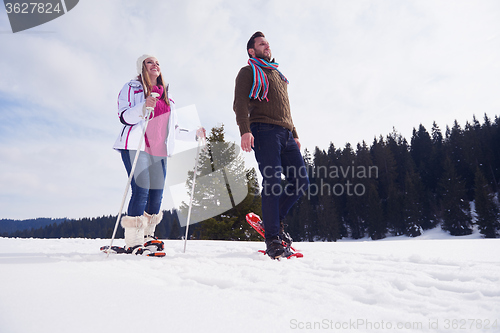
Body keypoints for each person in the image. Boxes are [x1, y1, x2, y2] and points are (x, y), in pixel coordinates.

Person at [113, 54, 205, 255]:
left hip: (159, 151)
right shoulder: (132, 88)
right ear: (142, 67)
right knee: (142, 189)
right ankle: (133, 240)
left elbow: (175, 130)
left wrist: (194, 135)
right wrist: (143, 106)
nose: (155, 65)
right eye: (149, 62)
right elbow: (124, 116)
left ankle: (147, 236)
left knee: (156, 194)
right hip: (137, 146)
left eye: (157, 63)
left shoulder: (168, 98)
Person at [233, 32, 309, 259]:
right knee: (273, 181)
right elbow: (240, 103)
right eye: (261, 44)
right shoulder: (248, 72)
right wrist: (245, 130)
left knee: (301, 180)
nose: (267, 46)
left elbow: (286, 108)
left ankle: (272, 221)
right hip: (264, 131)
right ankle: (273, 239)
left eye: (267, 43)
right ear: (251, 51)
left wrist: (293, 133)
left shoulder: (277, 75)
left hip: (286, 134)